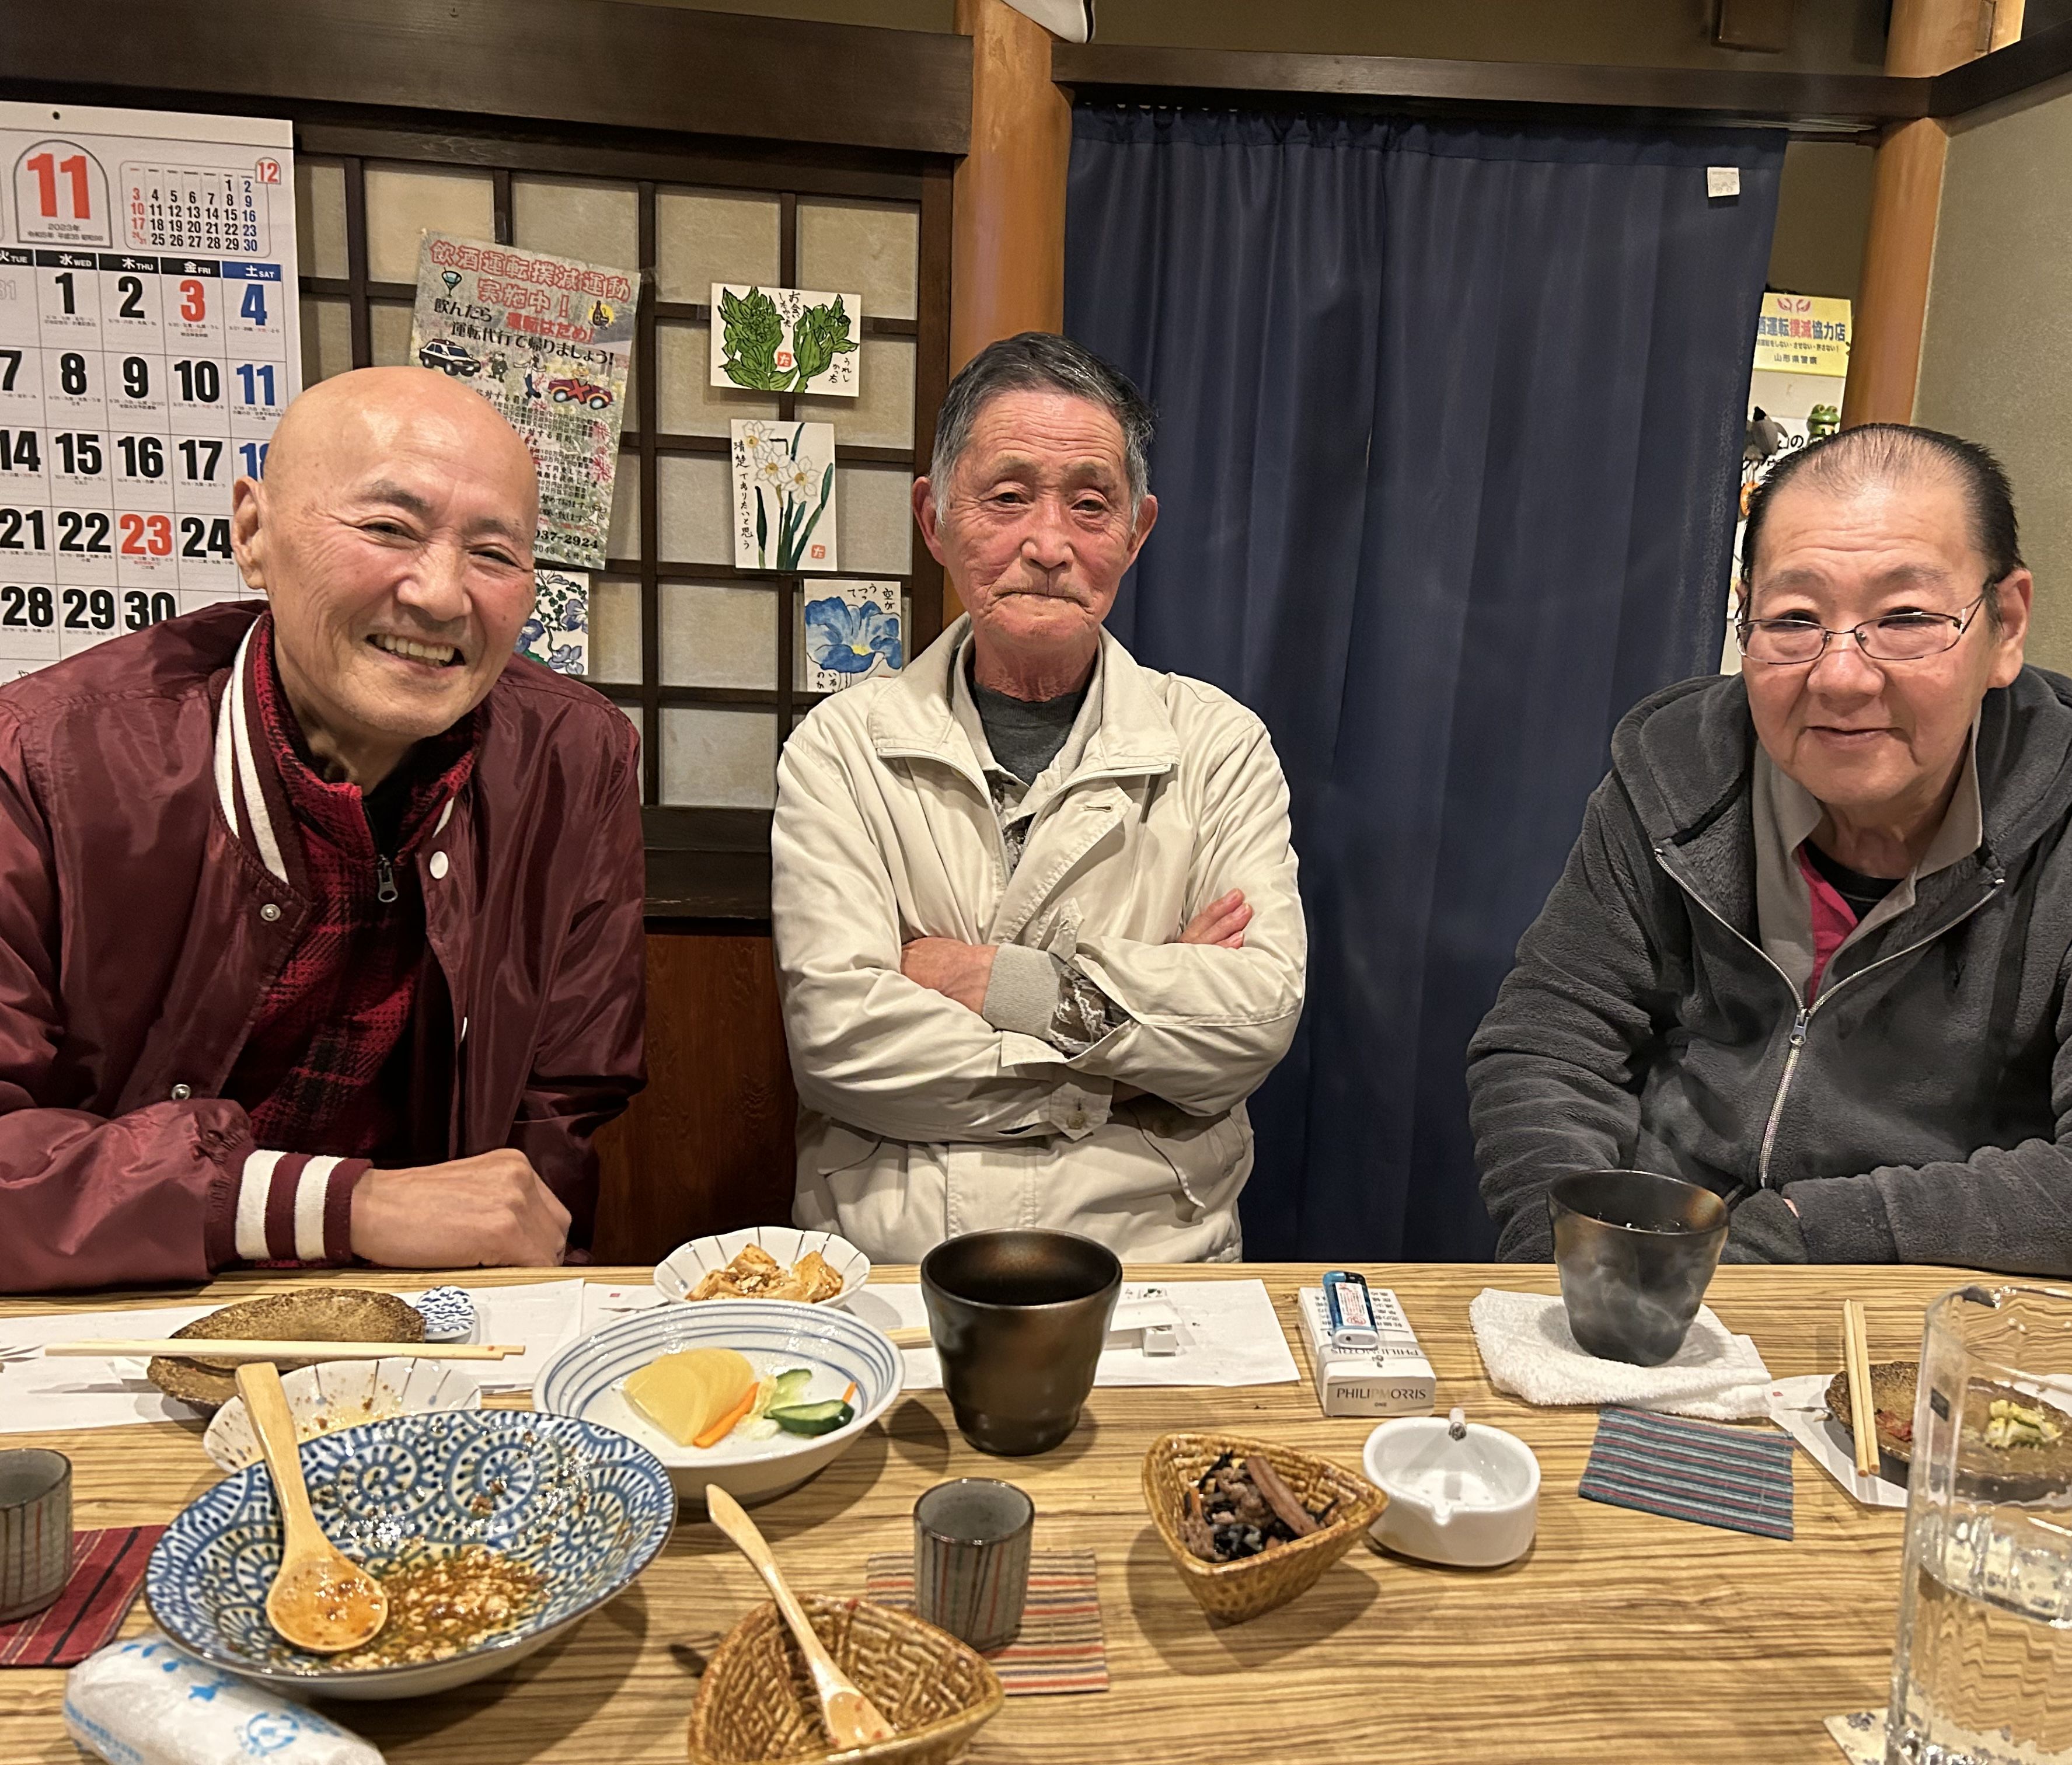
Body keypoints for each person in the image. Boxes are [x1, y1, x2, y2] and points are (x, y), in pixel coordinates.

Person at [1469, 424, 2072, 1283]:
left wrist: (1786, 1238)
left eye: (1908, 618)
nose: (1840, 676)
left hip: (1934, 1321)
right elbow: (1550, 1042)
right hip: (1653, 1284)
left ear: (2006, 625)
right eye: (1795, 619)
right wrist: (1572, 1260)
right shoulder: (1673, 774)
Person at [0, 367, 645, 1293]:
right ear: (254, 534)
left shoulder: (575, 760)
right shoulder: (42, 759)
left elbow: (563, 1105)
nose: (439, 596)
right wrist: (350, 1206)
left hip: (432, 1310)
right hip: (112, 1302)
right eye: (389, 529)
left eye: (496, 555)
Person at [772, 333, 1305, 1262]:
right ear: (934, 519)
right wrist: (1126, 1063)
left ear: (1136, 532)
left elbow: (1255, 1015)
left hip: (1155, 1263)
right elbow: (839, 1045)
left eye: (1089, 505)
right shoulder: (842, 748)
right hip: (897, 1262)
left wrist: (987, 981)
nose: (1048, 544)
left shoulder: (1217, 744)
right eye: (1007, 497)